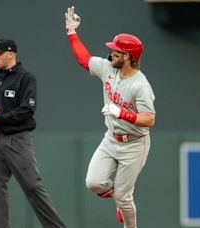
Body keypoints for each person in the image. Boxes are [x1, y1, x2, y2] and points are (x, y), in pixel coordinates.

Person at [65, 6, 156, 228]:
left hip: (135, 144)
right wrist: (71, 32)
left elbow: (149, 119)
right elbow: (84, 60)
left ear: (128, 56)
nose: (111, 52)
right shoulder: (109, 68)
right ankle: (118, 194)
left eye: (117, 51)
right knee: (94, 183)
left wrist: (123, 113)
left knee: (124, 199)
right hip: (111, 138)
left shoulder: (140, 85)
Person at [0, 38, 66, 228]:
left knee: (32, 186)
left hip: (17, 140)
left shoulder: (25, 78)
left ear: (11, 54)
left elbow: (27, 110)